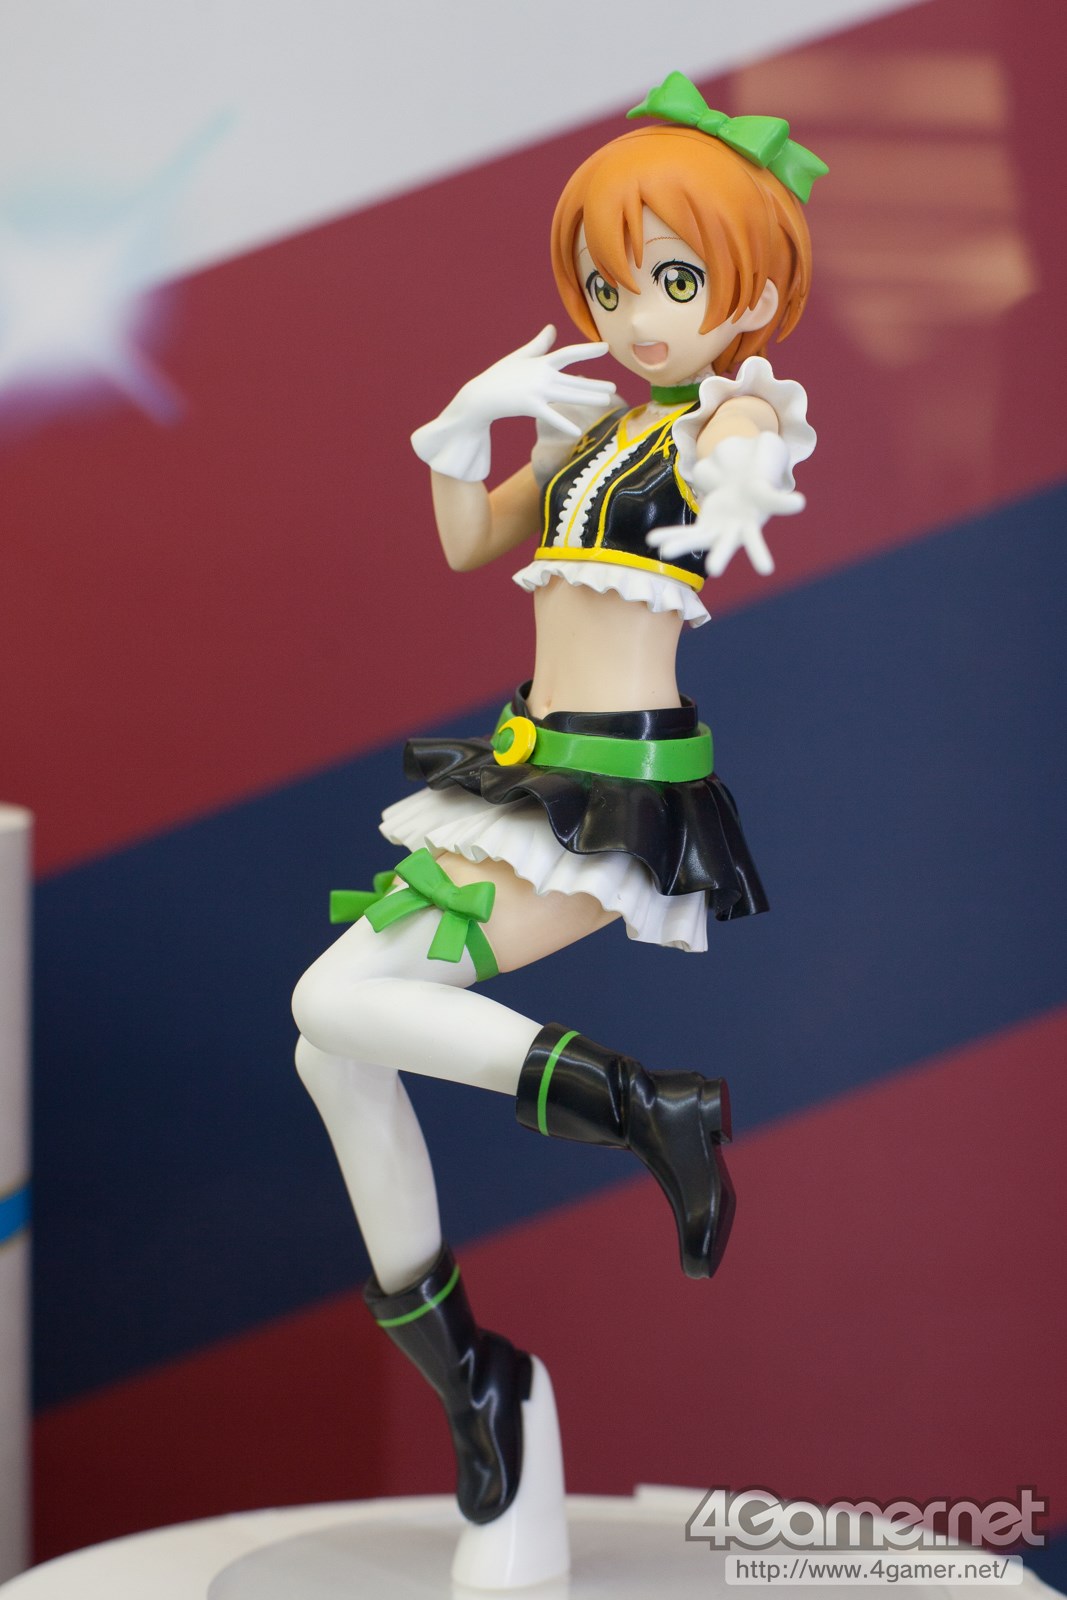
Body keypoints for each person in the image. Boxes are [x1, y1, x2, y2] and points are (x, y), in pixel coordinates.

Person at [291, 71, 825, 1589]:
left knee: (332, 999)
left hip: (616, 797)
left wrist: (741, 474)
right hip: (526, 773)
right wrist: (460, 428)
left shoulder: (727, 410)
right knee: (332, 1047)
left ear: (748, 294)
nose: (640, 315)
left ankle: (648, 1106)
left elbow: (749, 445)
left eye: (676, 280)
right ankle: (479, 1384)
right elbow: (473, 536)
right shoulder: (603, 430)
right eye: (612, 284)